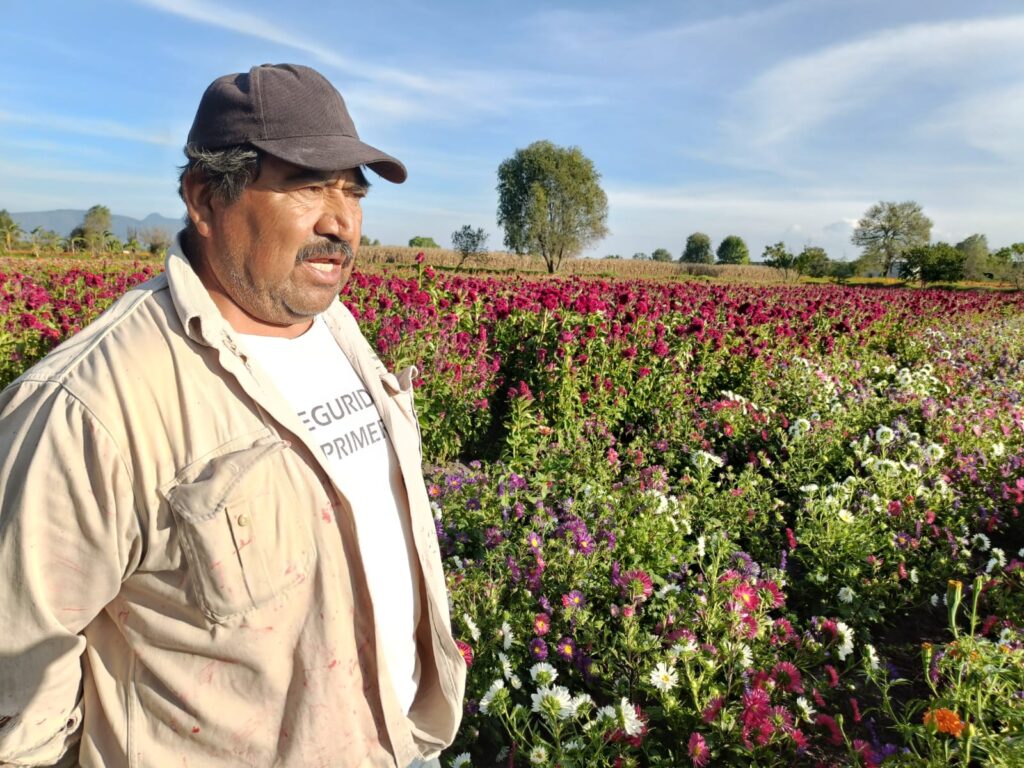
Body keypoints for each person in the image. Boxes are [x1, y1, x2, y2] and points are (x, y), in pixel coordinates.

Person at [0, 63, 465, 768]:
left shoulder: (337, 330)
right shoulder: (88, 405)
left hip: (404, 746)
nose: (341, 221)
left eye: (352, 190)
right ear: (204, 199)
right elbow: (18, 692)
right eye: (307, 185)